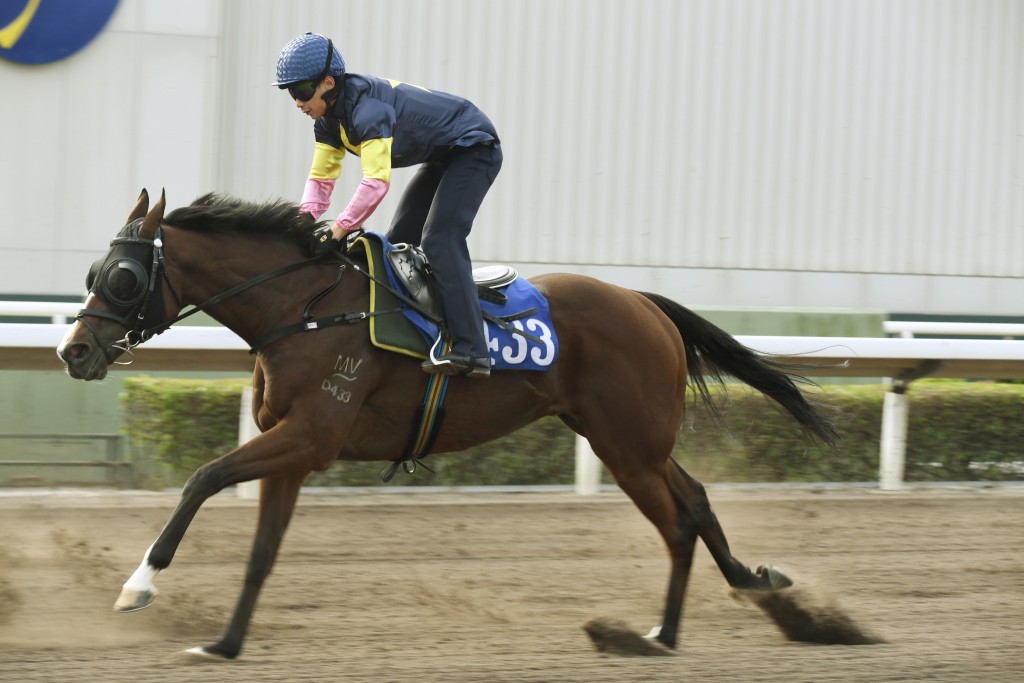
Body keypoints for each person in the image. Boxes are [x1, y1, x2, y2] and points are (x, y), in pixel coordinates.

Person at [273, 32, 501, 379]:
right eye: (291, 93)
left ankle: (473, 349)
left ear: (329, 83)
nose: (298, 102)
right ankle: (419, 333)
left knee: (439, 239)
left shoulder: (368, 111)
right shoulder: (327, 122)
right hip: (442, 155)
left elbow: (376, 184)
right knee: (397, 242)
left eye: (302, 91)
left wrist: (338, 230)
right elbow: (321, 182)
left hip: (475, 148)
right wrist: (301, 224)